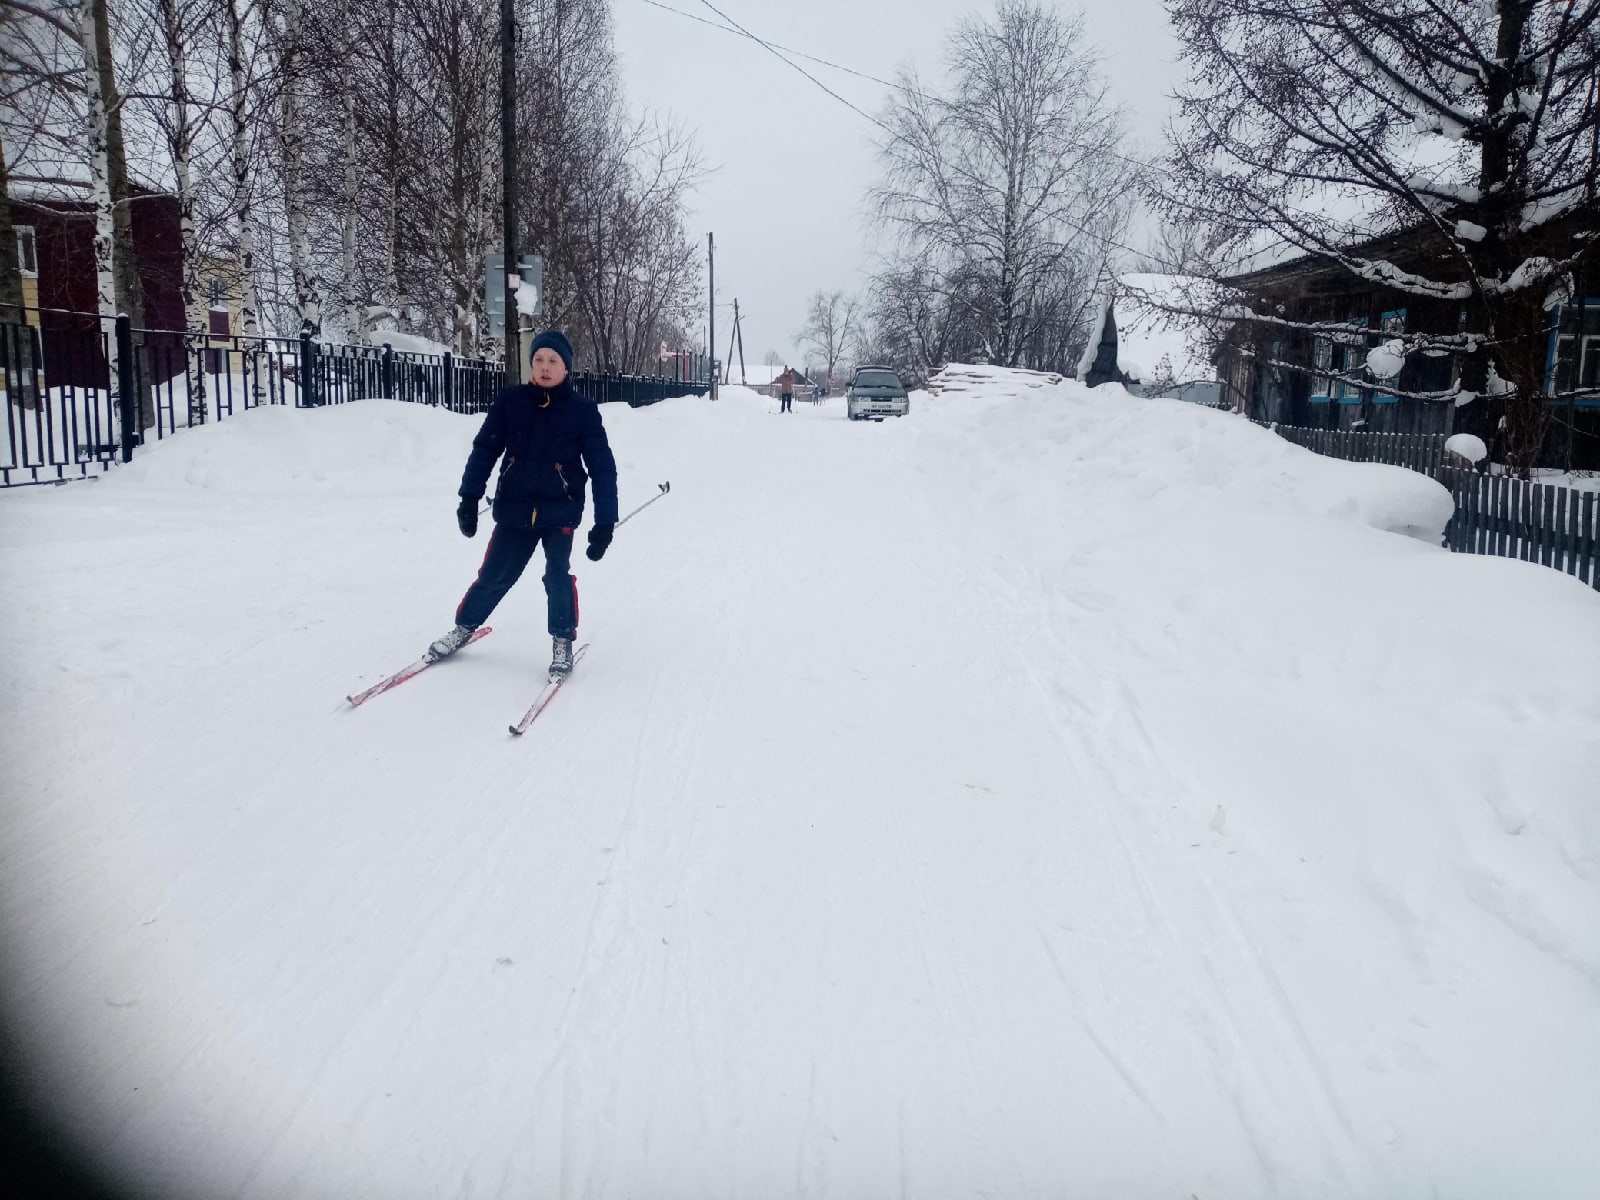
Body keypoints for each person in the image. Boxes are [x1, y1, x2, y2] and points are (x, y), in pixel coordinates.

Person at [426, 329, 618, 680]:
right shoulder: (511, 402)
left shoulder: (582, 412)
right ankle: (464, 626)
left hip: (559, 510)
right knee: (495, 574)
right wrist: (468, 497)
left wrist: (605, 523)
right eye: (539, 359)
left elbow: (603, 468)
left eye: (553, 361)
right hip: (515, 507)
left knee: (556, 575)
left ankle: (562, 640)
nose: (544, 367)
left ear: (566, 367)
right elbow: (485, 449)